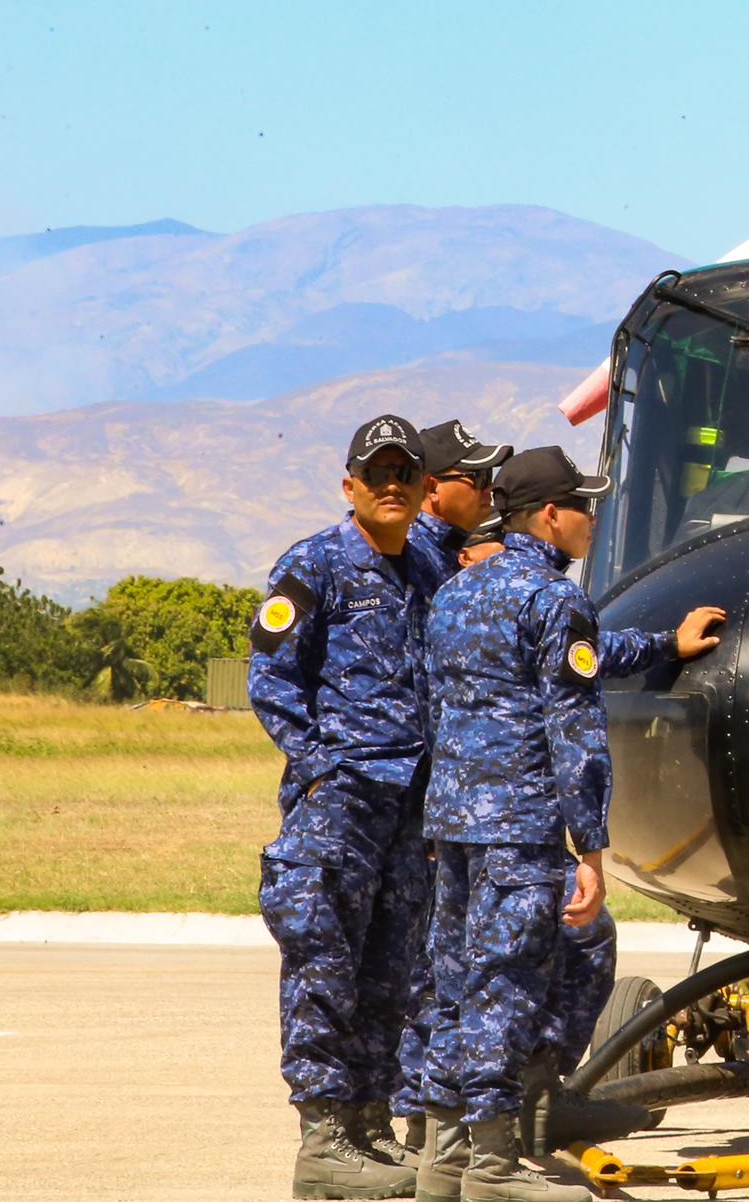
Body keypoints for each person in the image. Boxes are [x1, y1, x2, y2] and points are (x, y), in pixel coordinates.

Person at [417, 446, 728, 1201]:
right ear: (550, 514)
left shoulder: (456, 593)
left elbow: (447, 705)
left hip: (454, 823)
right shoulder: (554, 599)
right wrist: (590, 844)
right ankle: (495, 1166)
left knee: (456, 983)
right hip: (521, 827)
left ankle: (444, 1157)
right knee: (509, 985)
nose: (593, 518)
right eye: (583, 505)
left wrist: (664, 645)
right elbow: (574, 726)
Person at [249, 413, 444, 1201]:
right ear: (349, 486)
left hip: (411, 804)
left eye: (407, 474)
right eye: (378, 474)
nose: (392, 485)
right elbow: (272, 682)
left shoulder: (428, 563)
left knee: (390, 969)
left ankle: (370, 1125)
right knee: (326, 962)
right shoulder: (314, 564)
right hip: (345, 802)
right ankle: (324, 1136)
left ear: (425, 487)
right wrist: (325, 769)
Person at [393, 418, 514, 1152]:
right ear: (435, 489)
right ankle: (424, 1123)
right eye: (477, 480)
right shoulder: (414, 565)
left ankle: (432, 1120)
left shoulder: (447, 565)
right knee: (426, 969)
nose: (489, 492)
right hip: (419, 798)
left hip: (441, 795)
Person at [412, 420, 512, 584]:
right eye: (480, 477)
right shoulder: (412, 553)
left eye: (489, 474)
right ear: (432, 487)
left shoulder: (445, 547)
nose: (490, 488)